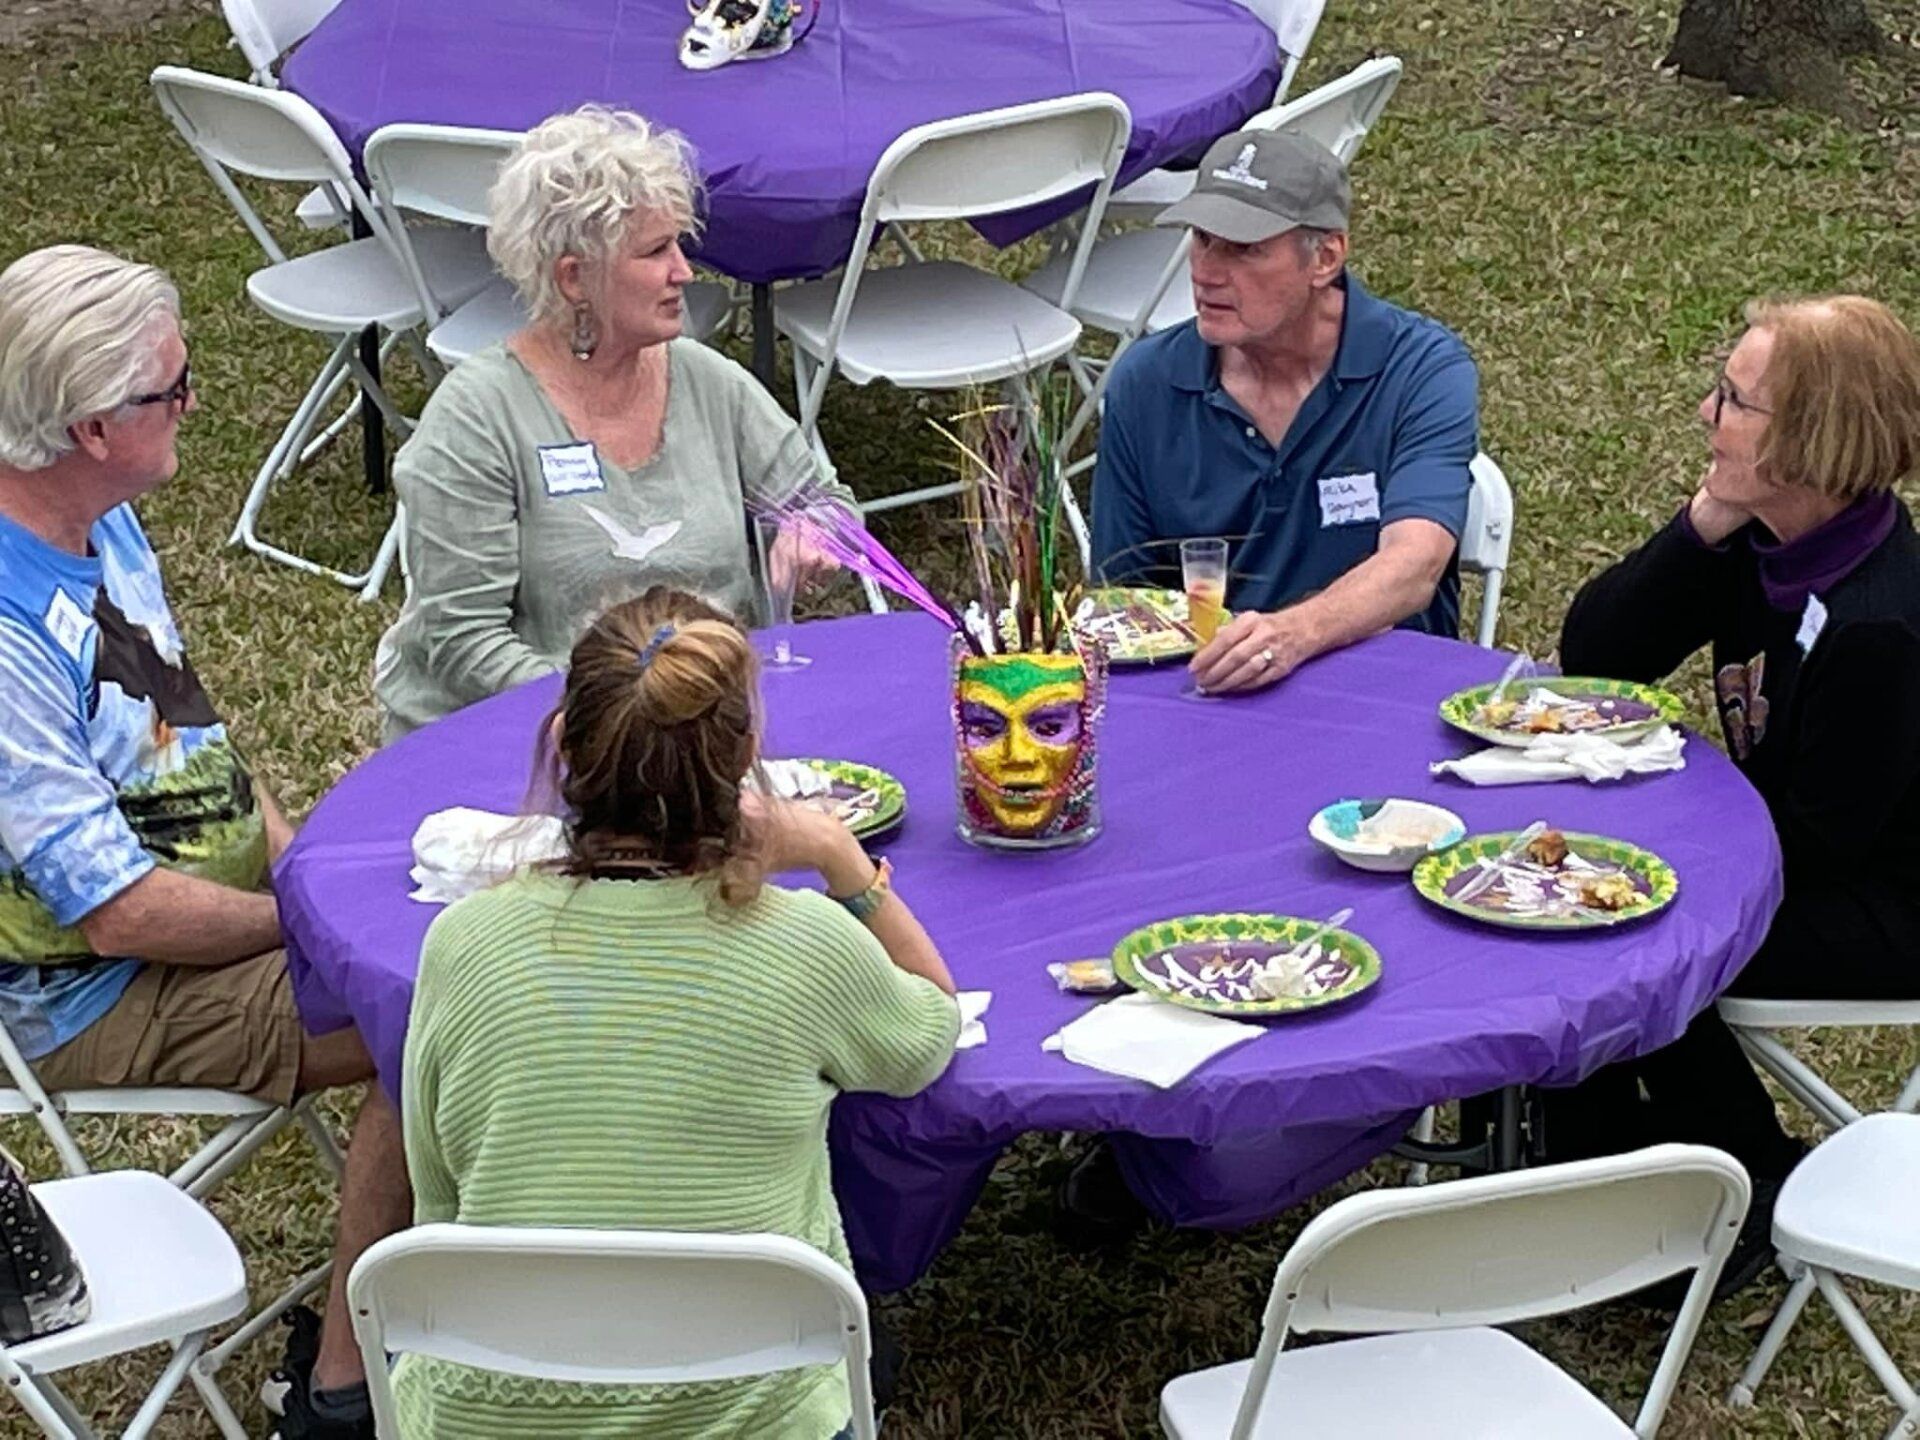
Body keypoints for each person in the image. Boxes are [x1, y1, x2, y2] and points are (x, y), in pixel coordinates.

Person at [0, 244, 409, 1438]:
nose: (193, 403)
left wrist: (308, 872)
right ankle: (344, 1392)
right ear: (90, 428)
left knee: (441, 920)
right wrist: (314, 923)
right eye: (172, 390)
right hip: (104, 993)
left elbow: (191, 732)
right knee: (441, 1011)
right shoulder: (8, 640)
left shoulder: (100, 520)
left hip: (207, 929)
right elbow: (117, 914)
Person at [399, 587, 961, 1438]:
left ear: (565, 747)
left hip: (487, 1412)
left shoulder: (462, 943)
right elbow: (929, 1031)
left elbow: (439, 1200)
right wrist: (838, 856)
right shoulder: (802, 944)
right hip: (751, 1409)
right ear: (747, 759)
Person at [1547, 295, 1920, 1288]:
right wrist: (1703, 522)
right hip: (1792, 850)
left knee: (1634, 935)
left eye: (1734, 402)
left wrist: (1652, 863)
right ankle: (1586, 1169)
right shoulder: (1770, 541)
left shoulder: (1878, 625)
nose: (1706, 415)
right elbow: (1598, 656)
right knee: (1588, 907)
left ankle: (1747, 1187)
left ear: (1809, 443)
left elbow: (1823, 843)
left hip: (1883, 901)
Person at [375, 105, 850, 740]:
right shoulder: (476, 421)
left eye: (679, 244)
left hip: (696, 732)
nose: (684, 272)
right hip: (526, 739)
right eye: (655, 251)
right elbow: (462, 642)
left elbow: (824, 502)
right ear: (575, 278)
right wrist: (626, 716)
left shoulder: (708, 382)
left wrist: (813, 530)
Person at [1090, 129, 1479, 696]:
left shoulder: (1419, 370)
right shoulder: (1145, 384)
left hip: (1382, 693)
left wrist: (1293, 635)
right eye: (1203, 239)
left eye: (1244, 249)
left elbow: (1415, 566)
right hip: (1216, 697)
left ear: (1325, 258)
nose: (1206, 271)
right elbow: (1123, 605)